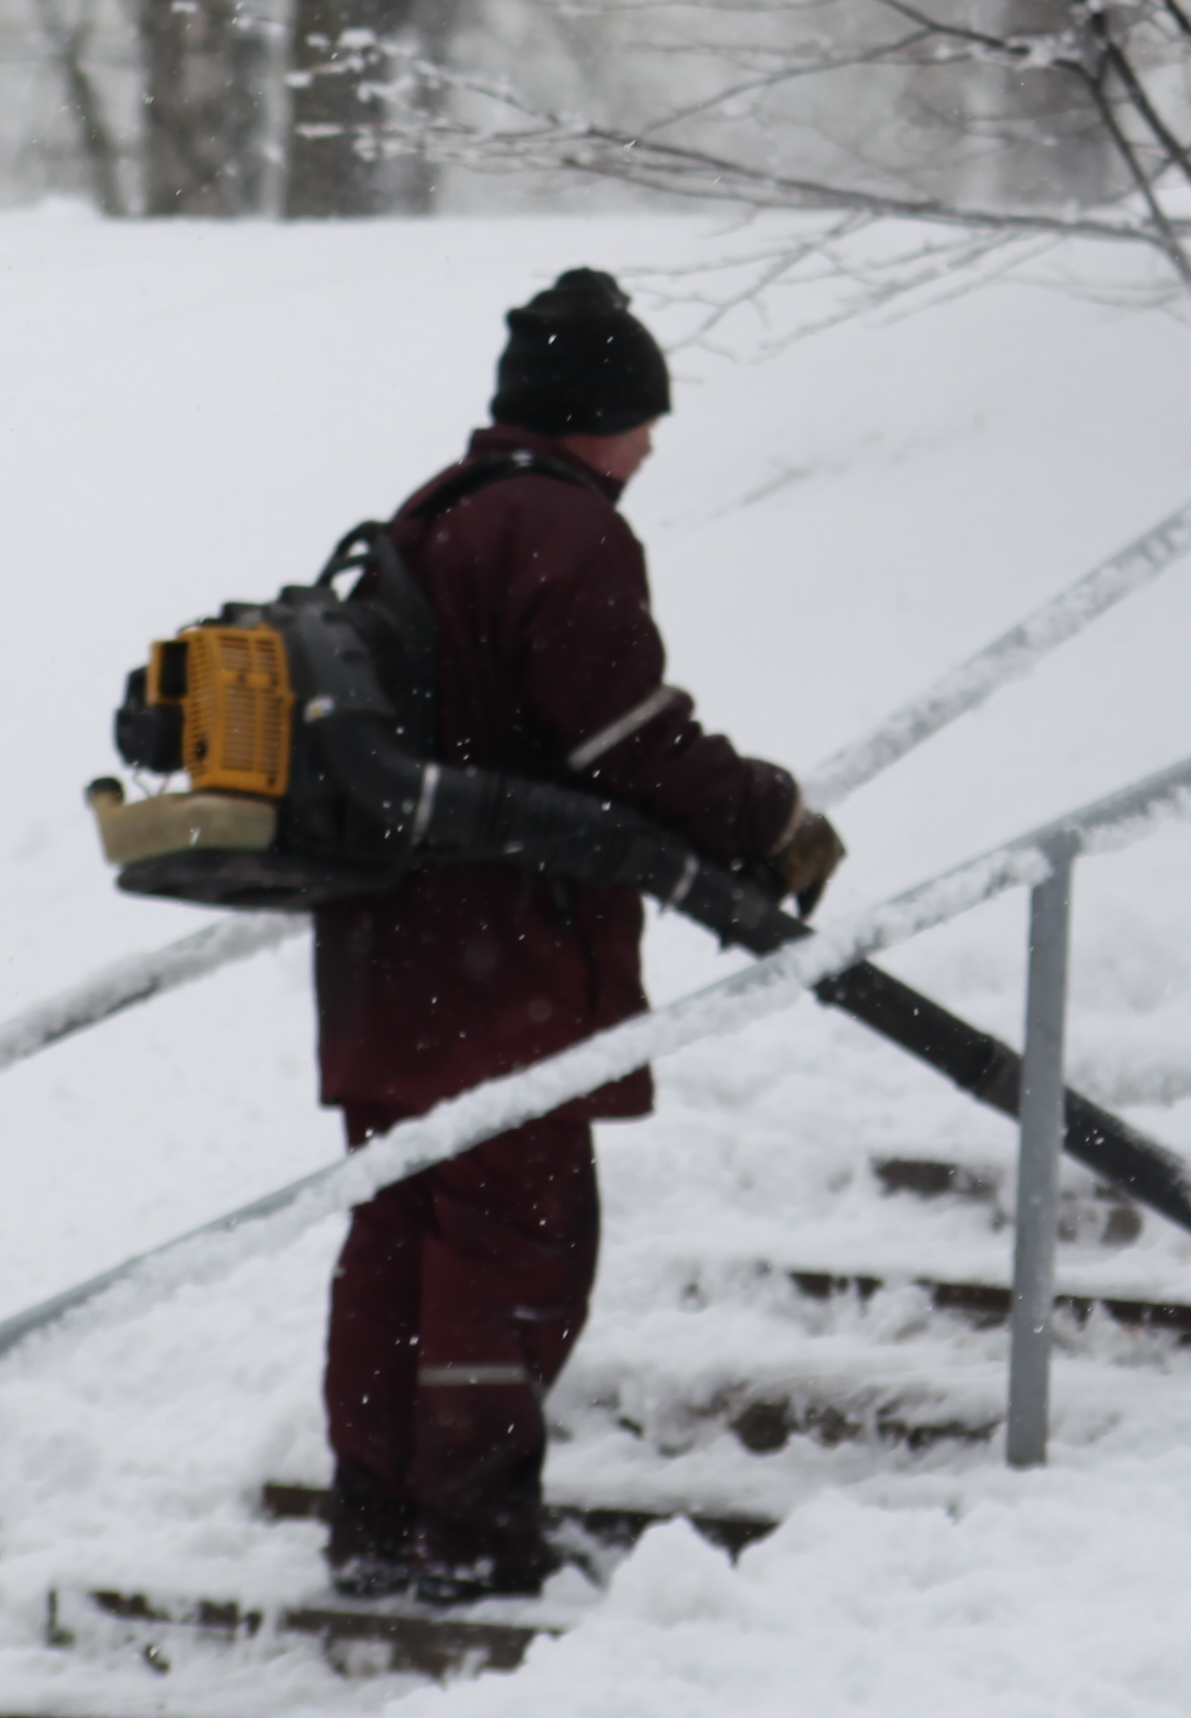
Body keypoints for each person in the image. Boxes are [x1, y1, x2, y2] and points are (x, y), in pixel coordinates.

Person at [315, 268, 843, 1602]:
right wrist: (765, 810)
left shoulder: (428, 516)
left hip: (388, 954)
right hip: (501, 964)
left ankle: (377, 1526)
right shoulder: (562, 531)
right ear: (593, 414)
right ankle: (476, 1543)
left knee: (400, 1235)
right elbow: (624, 740)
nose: (654, 444)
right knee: (515, 1248)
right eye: (643, 416)